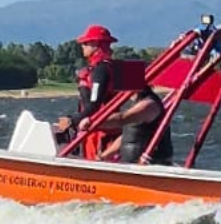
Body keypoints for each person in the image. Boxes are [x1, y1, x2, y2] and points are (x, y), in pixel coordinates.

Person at [54, 24, 119, 157]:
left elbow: (94, 104)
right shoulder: (112, 67)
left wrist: (72, 120)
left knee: (98, 162)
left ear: (95, 44)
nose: (82, 46)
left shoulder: (101, 70)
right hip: (104, 127)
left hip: (99, 130)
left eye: (85, 43)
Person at [82, 85, 174, 164]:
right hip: (132, 164)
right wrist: (103, 157)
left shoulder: (149, 105)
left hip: (151, 168)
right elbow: (126, 137)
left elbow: (122, 118)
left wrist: (93, 122)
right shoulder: (136, 103)